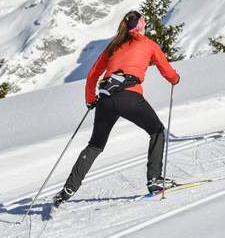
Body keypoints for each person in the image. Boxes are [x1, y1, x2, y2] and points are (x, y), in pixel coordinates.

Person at [52, 11, 180, 207]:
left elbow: (93, 74)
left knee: (95, 145)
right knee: (156, 131)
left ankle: (68, 190)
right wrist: (175, 79)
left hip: (105, 99)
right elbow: (167, 70)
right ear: (140, 26)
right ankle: (154, 180)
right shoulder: (148, 45)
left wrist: (90, 99)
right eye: (144, 22)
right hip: (129, 96)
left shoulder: (114, 45)